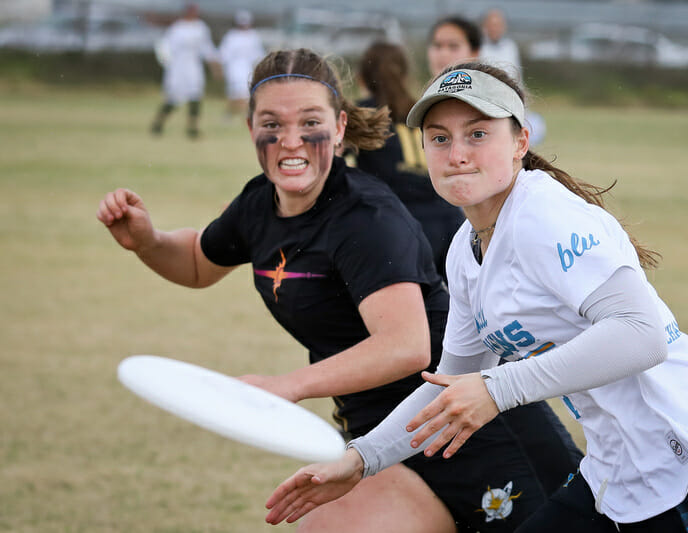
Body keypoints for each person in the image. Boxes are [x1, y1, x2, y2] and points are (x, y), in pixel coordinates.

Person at [264, 63, 688, 532]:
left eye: (478, 134)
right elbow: (451, 385)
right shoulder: (464, 251)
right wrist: (359, 462)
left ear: (520, 141)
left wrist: (496, 387)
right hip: (615, 479)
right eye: (440, 138)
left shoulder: (545, 215)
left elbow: (641, 334)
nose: (458, 153)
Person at [98, 49, 581, 532]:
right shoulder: (257, 207)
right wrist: (148, 241)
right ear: (251, 130)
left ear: (339, 128)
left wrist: (287, 387)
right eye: (272, 123)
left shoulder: (365, 218)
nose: (291, 141)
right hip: (381, 437)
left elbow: (405, 345)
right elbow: (198, 262)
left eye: (310, 121)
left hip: (472, 429)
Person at [354, 41, 464, 282]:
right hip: (448, 222)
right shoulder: (422, 109)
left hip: (398, 227)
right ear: (405, 74)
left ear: (361, 77)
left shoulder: (363, 115)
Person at [150, 3, 219, 139]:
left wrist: (215, 66)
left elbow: (207, 48)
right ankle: (158, 123)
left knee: (195, 96)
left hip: (193, 66)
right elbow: (164, 48)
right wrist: (167, 63)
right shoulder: (177, 28)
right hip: (177, 67)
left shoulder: (201, 28)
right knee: (173, 98)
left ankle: (192, 127)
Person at [218, 9, 265, 120]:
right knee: (235, 94)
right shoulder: (231, 36)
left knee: (245, 94)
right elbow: (223, 54)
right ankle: (232, 114)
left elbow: (258, 54)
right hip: (234, 69)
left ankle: (244, 116)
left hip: (247, 69)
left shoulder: (253, 36)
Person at [479, 8, 522, 82]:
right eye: (492, 25)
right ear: (485, 26)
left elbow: (517, 74)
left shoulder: (510, 47)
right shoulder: (478, 46)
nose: (495, 29)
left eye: (498, 25)